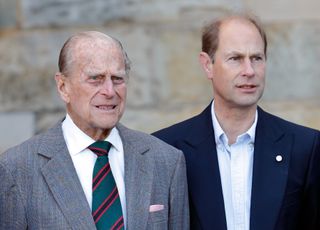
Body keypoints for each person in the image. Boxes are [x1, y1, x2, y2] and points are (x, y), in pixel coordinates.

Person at [0, 31, 189, 229]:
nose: (109, 91)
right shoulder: (17, 168)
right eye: (95, 79)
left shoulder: (166, 161)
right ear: (63, 86)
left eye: (117, 79)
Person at [153, 14, 320, 230]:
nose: (249, 71)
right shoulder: (166, 148)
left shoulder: (305, 147)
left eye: (257, 58)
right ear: (207, 65)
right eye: (235, 58)